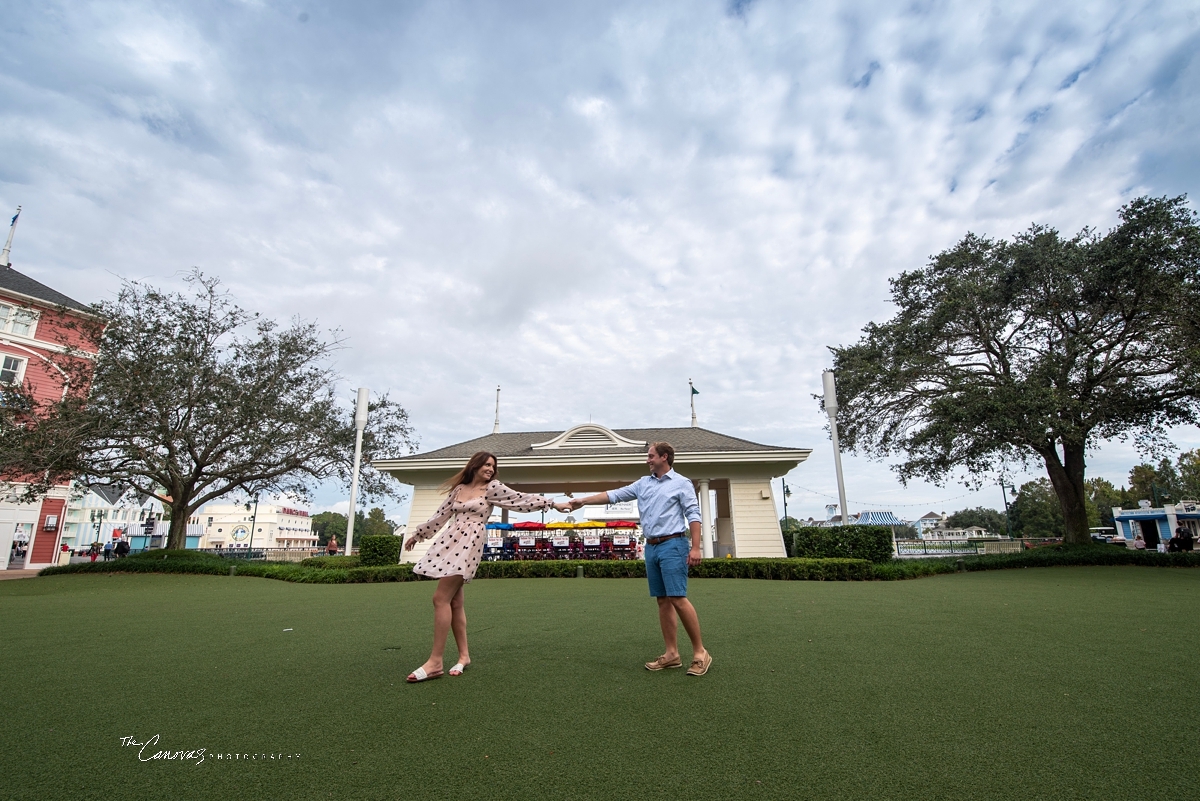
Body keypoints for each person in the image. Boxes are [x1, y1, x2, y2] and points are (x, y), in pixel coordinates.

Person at [403, 451, 571, 682]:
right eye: (486, 465)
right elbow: (440, 516)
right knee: (454, 601)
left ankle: (435, 661)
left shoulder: (492, 488)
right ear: (475, 465)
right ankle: (464, 656)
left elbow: (520, 499)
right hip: (450, 541)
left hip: (470, 543)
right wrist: (418, 535)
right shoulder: (459, 490)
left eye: (493, 466)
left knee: (440, 598)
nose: (490, 469)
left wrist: (552, 503)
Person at [568, 441, 713, 677]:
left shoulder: (682, 483)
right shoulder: (643, 483)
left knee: (677, 598)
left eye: (651, 456)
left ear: (664, 457)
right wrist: (582, 501)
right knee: (662, 601)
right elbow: (614, 495)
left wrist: (696, 547)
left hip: (674, 544)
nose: (647, 460)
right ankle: (672, 654)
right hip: (652, 547)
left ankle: (700, 653)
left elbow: (693, 515)